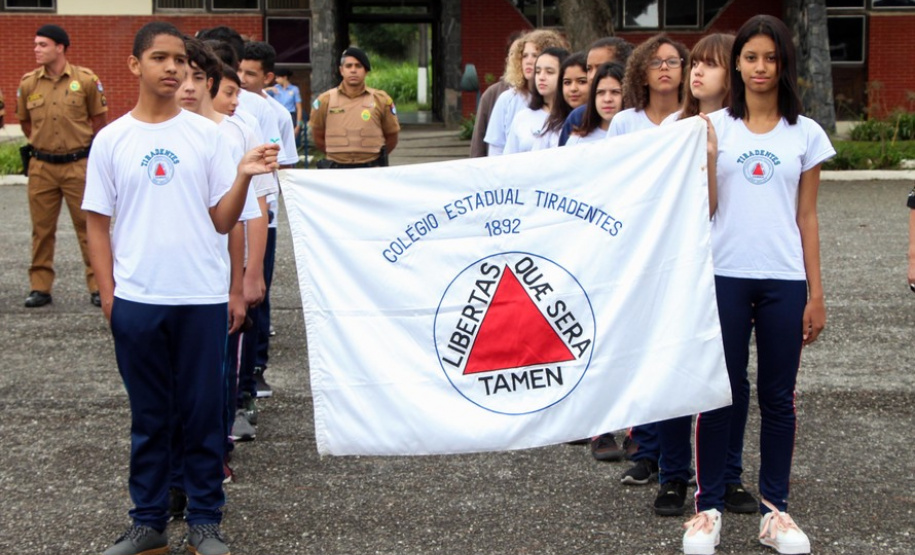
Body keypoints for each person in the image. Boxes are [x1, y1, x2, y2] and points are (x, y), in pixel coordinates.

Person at [82, 21, 279, 555]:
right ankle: (148, 523)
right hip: (139, 301)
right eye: (160, 58)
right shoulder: (113, 139)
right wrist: (109, 295)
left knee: (201, 413)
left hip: (201, 298)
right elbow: (97, 222)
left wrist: (241, 177)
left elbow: (223, 221)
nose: (171, 69)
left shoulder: (211, 137)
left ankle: (205, 521)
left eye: (179, 60)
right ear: (135, 65)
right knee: (149, 417)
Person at [681, 15, 834, 555]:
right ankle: (707, 510)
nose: (761, 67)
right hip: (723, 275)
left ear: (783, 63)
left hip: (784, 280)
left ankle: (775, 511)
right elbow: (707, 212)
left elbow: (808, 217)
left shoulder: (806, 133)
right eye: (751, 57)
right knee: (719, 394)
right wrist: (709, 159)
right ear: (737, 64)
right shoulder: (713, 126)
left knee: (778, 397)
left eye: (771, 58)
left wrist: (816, 293)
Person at [652, 32, 760, 519]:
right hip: (681, 267)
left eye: (710, 65)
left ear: (733, 72)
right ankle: (674, 474)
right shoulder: (674, 129)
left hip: (730, 266)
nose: (696, 73)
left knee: (731, 378)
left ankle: (729, 475)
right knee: (680, 371)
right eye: (693, 63)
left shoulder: (748, 129)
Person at [603, 34, 689, 485]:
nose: (664, 69)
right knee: (641, 349)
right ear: (640, 70)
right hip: (637, 246)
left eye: (673, 61)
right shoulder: (625, 123)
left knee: (678, 348)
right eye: (655, 62)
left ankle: (680, 456)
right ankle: (646, 449)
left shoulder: (694, 119)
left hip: (683, 245)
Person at [16, 24, 108, 308]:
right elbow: (25, 123)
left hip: (77, 165)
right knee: (42, 230)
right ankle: (40, 287)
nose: (36, 49)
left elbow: (99, 122)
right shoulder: (28, 83)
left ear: (60, 47)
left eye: (42, 44)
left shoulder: (86, 80)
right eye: (35, 44)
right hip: (42, 166)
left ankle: (98, 285)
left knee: (87, 227)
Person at [310, 46, 400, 168]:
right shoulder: (325, 100)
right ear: (341, 70)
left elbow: (392, 136)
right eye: (349, 66)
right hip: (336, 169)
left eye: (358, 66)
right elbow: (317, 135)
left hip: (370, 168)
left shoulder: (381, 99)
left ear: (366, 71)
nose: (353, 70)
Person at [484, 29, 568, 156]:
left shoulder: (573, 113)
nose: (529, 61)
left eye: (535, 55)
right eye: (524, 55)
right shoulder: (511, 103)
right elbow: (497, 152)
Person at [558, 37, 633, 147]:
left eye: (601, 67)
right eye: (589, 69)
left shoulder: (639, 117)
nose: (592, 76)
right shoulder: (578, 117)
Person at [503, 47, 569, 154]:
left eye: (549, 72)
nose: (541, 77)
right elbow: (508, 160)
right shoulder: (522, 117)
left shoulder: (574, 117)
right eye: (538, 72)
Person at [469, 31, 524, 158]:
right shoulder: (493, 95)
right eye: (513, 54)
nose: (519, 59)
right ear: (507, 59)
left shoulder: (544, 94)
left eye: (523, 55)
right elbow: (478, 143)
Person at [565, 62, 624, 145]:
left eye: (615, 92)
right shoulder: (577, 141)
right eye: (601, 92)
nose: (607, 99)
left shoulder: (639, 136)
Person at [538, 52, 587, 149]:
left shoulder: (605, 123)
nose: (573, 88)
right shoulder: (553, 125)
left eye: (581, 81)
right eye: (567, 82)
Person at [267, 67, 303, 141]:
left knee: (289, 139)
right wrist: (269, 89)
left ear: (284, 77)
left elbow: (299, 108)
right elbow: (260, 93)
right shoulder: (275, 88)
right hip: (276, 115)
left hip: (290, 115)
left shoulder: (294, 89)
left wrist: (298, 125)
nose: (276, 80)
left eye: (278, 77)